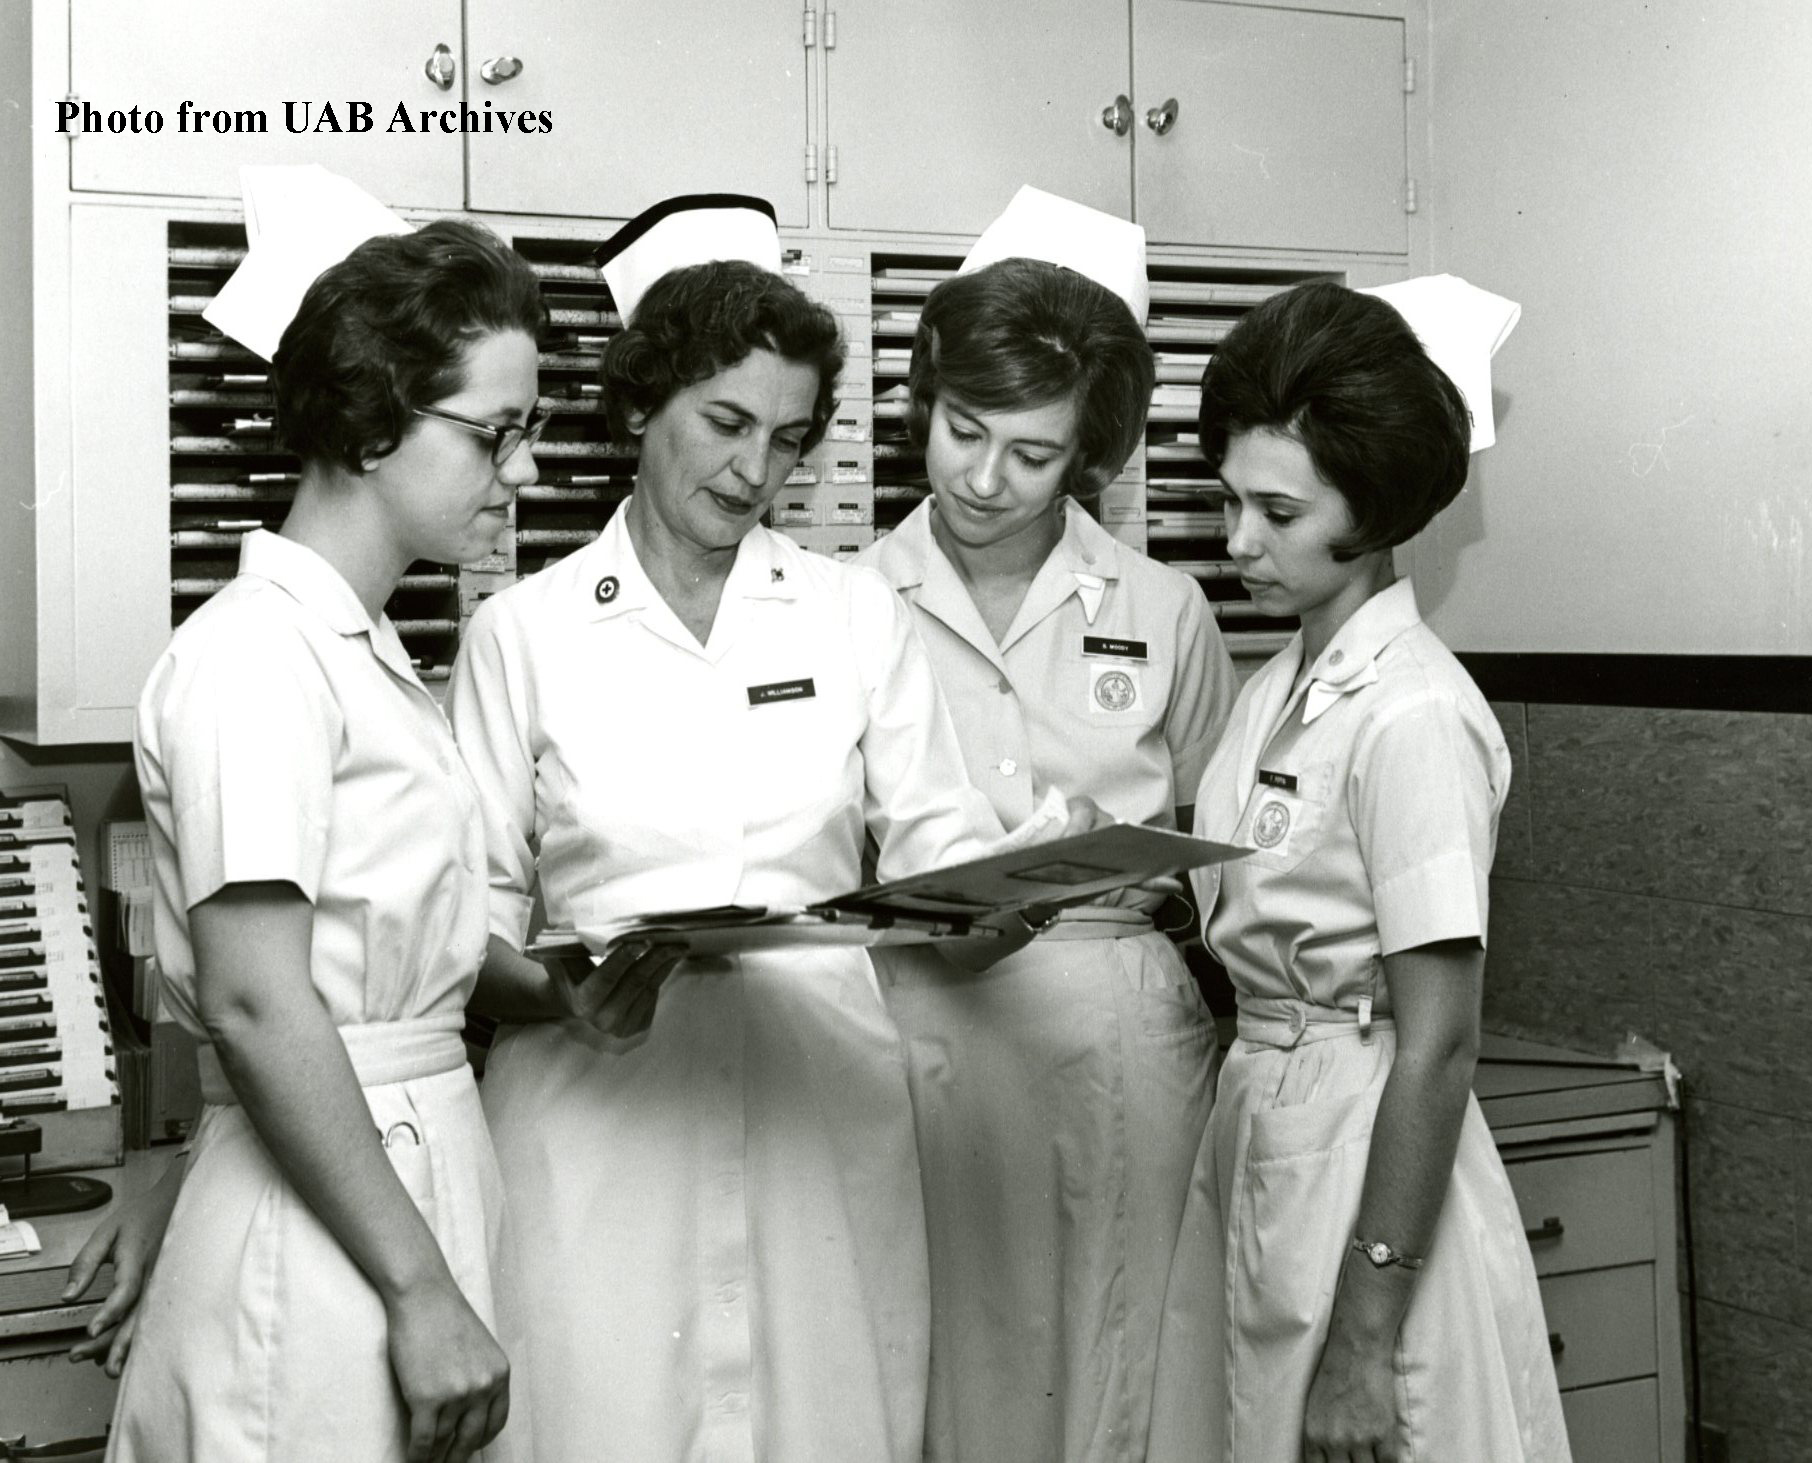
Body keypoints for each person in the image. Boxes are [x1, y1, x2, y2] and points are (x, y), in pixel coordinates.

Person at [447, 195, 1088, 1463]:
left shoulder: (850, 617)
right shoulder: (524, 632)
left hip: (822, 1120)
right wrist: (558, 992)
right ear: (641, 408)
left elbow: (942, 884)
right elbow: (462, 921)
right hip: (594, 1127)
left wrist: (1017, 898)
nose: (756, 472)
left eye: (788, 440)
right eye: (726, 424)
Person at [80, 194, 545, 1463]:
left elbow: (357, 953)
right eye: (496, 434)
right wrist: (420, 1287)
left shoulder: (356, 650)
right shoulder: (256, 661)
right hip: (343, 1230)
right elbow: (256, 1001)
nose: (527, 474)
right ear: (372, 422)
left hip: (390, 1168)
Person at [1146, 278, 1570, 1462]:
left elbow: (1438, 1039)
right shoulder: (1276, 686)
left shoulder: (1414, 714)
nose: (1238, 544)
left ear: (1374, 510)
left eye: (1277, 512)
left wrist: (1365, 1338)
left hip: (1366, 1152)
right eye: (1228, 502)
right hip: (1266, 1120)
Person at [853, 187, 1236, 1463]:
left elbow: (1208, 832)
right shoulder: (849, 602)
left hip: (1119, 1024)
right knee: (939, 1353)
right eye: (964, 430)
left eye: (1033, 454)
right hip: (923, 1013)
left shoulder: (1164, 605)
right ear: (924, 401)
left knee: (1124, 1353)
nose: (982, 476)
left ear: (1089, 461)